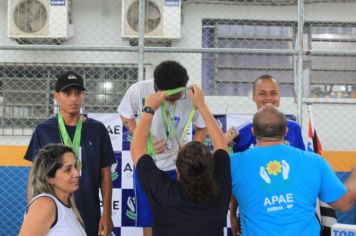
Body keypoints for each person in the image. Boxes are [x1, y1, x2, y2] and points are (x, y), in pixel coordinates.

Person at [230, 104, 356, 236]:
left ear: (253, 131)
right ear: (286, 131)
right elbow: (344, 203)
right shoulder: (314, 161)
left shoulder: (233, 163)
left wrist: (233, 213)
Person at [117, 60, 207, 236]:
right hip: (148, 164)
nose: (175, 101)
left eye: (178, 97)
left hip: (178, 167)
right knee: (149, 219)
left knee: (182, 216)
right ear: (159, 90)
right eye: (170, 98)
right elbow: (125, 114)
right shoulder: (139, 90)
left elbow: (202, 127)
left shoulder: (190, 95)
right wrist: (142, 136)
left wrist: (192, 150)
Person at [24, 71, 116, 236]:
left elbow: (106, 175)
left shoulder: (98, 129)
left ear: (83, 96)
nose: (73, 98)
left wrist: (107, 214)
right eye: (67, 93)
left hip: (89, 210)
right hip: (54, 211)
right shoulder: (43, 130)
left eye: (78, 93)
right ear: (56, 96)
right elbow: (34, 176)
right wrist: (33, 209)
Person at [130, 84, 231, 236]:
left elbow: (137, 149)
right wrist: (202, 106)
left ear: (177, 170)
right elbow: (222, 145)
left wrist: (148, 109)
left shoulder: (165, 193)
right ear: (211, 169)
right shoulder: (219, 190)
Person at [225, 74, 305, 235]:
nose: (269, 98)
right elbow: (236, 180)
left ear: (280, 96)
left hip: (289, 214)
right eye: (262, 93)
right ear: (253, 97)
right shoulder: (241, 133)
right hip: (253, 218)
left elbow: (302, 172)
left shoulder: (294, 129)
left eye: (273, 93)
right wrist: (232, 214)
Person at [19, 144, 86, 236]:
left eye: (75, 166)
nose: (76, 173)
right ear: (50, 178)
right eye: (68, 170)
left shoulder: (66, 206)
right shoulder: (45, 204)